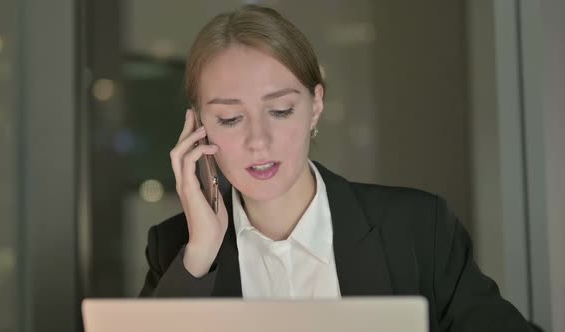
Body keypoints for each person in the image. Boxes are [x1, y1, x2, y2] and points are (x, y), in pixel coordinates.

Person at [139, 4, 532, 332]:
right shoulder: (177, 249)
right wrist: (199, 256)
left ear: (316, 106)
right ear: (198, 128)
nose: (258, 141)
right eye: (229, 119)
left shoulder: (417, 230)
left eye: (280, 111)